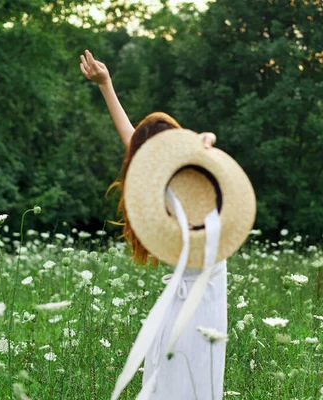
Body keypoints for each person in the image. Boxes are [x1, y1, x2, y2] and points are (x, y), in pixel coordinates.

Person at [79, 49, 227, 400]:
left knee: (185, 376)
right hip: (195, 300)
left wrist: (107, 84)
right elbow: (136, 139)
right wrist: (106, 85)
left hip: (202, 301)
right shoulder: (169, 185)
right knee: (180, 377)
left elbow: (201, 140)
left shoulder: (181, 181)